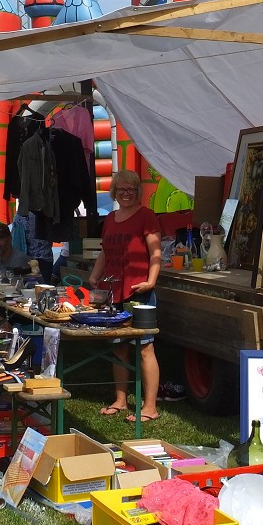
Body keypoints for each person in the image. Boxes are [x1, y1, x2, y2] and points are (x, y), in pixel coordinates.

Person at [88, 170, 162, 423]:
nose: (127, 193)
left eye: (131, 188)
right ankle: (120, 400)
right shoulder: (110, 218)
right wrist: (94, 277)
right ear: (114, 193)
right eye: (122, 189)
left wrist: (151, 281)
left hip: (138, 290)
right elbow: (105, 252)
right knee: (118, 346)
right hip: (112, 291)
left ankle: (150, 406)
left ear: (138, 191)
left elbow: (155, 251)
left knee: (144, 347)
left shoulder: (146, 216)